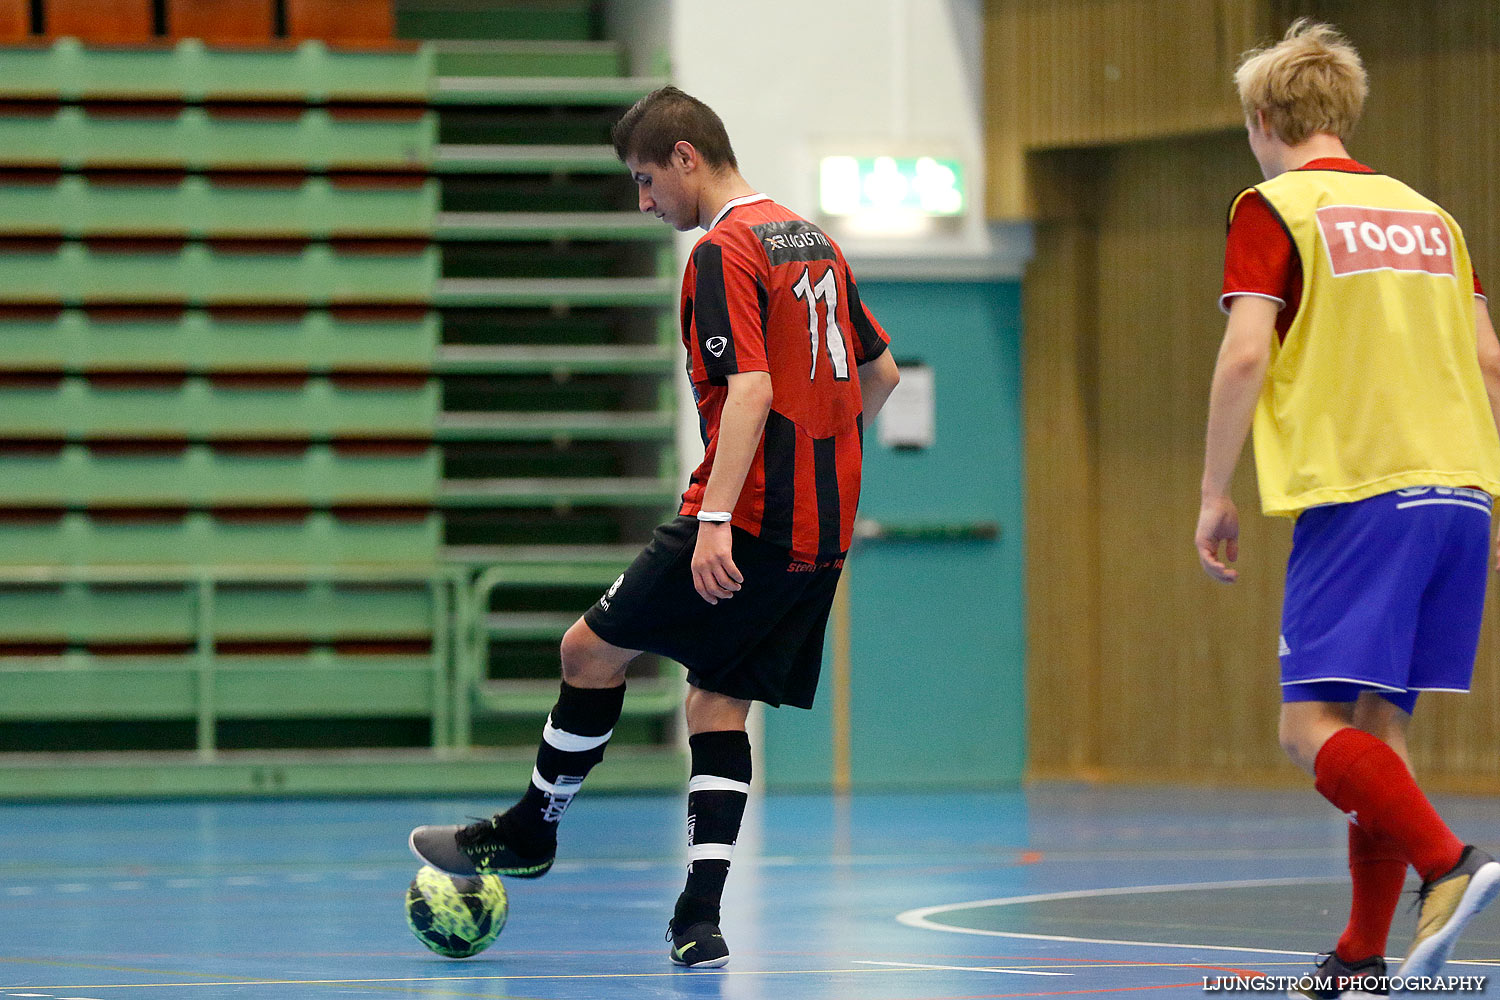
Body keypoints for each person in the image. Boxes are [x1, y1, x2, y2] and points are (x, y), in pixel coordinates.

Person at [411, 85, 901, 969]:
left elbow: (749, 389)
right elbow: (881, 375)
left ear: (687, 157)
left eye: (645, 180)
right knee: (719, 699)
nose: (645, 202)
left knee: (585, 652)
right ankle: (698, 921)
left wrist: (717, 516)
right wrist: (824, 463)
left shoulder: (724, 249)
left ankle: (532, 829)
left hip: (744, 518)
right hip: (816, 537)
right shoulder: (812, 238)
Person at [1195, 19, 1500, 996]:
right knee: (1381, 730)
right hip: (1459, 492)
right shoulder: (1431, 216)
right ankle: (1363, 955)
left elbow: (1246, 352)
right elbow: (1490, 360)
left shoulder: (1276, 206)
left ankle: (1449, 861)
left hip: (1364, 490)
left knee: (1306, 726)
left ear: (1264, 117)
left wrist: (1213, 488)